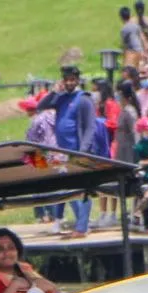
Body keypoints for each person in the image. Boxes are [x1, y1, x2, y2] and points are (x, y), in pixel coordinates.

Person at [38, 66, 97, 239]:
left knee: (83, 189)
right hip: (62, 152)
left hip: (78, 151)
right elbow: (41, 106)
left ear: (78, 80)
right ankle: (81, 224)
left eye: (73, 79)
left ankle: (82, 226)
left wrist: (84, 151)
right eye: (67, 80)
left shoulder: (84, 99)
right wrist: (54, 92)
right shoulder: (62, 98)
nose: (70, 83)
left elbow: (90, 126)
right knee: (68, 190)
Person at [19, 92, 58, 226]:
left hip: (39, 154)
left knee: (38, 186)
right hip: (53, 152)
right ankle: (52, 214)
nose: (27, 112)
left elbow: (31, 139)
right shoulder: (53, 116)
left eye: (28, 109)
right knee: (51, 185)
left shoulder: (37, 120)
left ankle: (42, 214)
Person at [95, 79, 122, 228]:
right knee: (101, 183)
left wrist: (101, 122)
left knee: (112, 182)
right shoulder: (99, 106)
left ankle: (112, 213)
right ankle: (103, 213)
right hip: (100, 146)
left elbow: (113, 123)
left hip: (111, 146)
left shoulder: (111, 104)